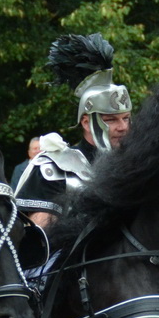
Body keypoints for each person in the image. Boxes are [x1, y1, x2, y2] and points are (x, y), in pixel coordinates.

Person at [14, 33, 131, 226]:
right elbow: (43, 238)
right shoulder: (54, 167)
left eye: (126, 118)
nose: (123, 127)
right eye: (111, 120)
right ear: (86, 122)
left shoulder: (134, 166)